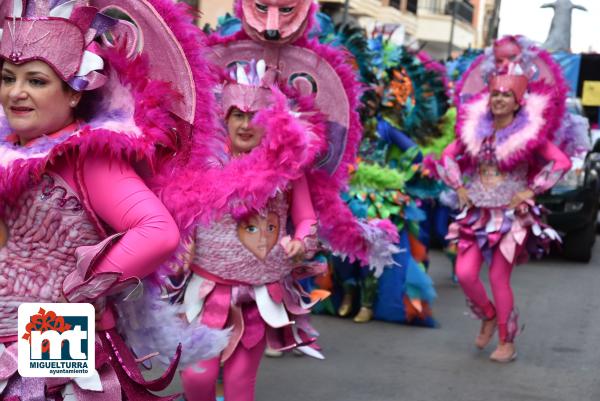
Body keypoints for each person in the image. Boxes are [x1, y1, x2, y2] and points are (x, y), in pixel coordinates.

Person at [0, 0, 224, 398]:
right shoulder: (7, 149)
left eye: (36, 80)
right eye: (7, 77)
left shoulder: (91, 156)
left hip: (52, 329)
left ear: (73, 93)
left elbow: (157, 233)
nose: (16, 92)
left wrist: (77, 288)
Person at [154, 61, 325, 401]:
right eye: (238, 115)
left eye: (256, 117)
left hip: (258, 295)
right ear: (224, 118)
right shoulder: (201, 164)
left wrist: (301, 242)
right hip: (205, 291)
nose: (246, 125)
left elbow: (307, 219)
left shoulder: (288, 170)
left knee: (238, 385)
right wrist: (180, 243)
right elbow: (181, 214)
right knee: (196, 380)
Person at [436, 63, 571, 362]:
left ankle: (506, 340)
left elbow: (561, 162)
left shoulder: (530, 134)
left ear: (518, 101)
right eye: (495, 93)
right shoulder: (475, 131)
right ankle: (488, 314)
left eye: (506, 95)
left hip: (511, 219)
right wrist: (458, 185)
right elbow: (447, 155)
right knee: (465, 273)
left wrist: (531, 190)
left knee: (498, 277)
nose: (498, 99)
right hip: (476, 215)